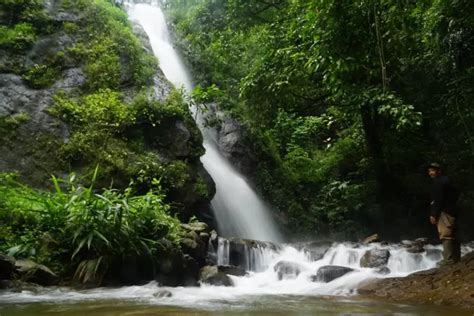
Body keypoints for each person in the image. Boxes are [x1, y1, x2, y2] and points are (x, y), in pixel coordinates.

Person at [427, 162, 461, 266]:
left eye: (432, 171)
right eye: (429, 171)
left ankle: (449, 260)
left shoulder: (439, 182)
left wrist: (433, 214)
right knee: (452, 233)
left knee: (445, 234)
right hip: (452, 210)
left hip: (444, 212)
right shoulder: (448, 180)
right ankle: (456, 258)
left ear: (439, 171)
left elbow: (437, 200)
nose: (430, 173)